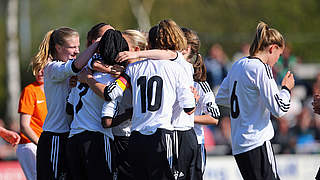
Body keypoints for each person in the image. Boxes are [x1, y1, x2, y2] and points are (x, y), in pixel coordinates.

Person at [78, 24, 196, 180]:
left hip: (136, 138)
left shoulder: (133, 69)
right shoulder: (176, 68)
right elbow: (188, 108)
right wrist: (192, 101)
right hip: (162, 134)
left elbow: (111, 93)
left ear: (149, 44)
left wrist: (90, 78)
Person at [216, 21, 295, 180]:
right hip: (257, 142)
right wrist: (286, 88)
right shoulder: (261, 68)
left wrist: (249, 99)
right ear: (272, 48)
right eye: (278, 55)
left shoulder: (238, 65)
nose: (277, 60)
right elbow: (279, 109)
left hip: (239, 145)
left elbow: (221, 97)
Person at [32, 27, 99, 180]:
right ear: (58, 47)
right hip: (55, 137)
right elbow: (76, 65)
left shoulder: (68, 69)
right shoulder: (52, 68)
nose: (77, 51)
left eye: (78, 46)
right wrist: (96, 45)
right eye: (72, 47)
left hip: (70, 137)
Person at [66, 29, 127, 180]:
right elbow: (108, 102)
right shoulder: (112, 78)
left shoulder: (83, 71)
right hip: (97, 138)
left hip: (74, 138)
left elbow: (69, 108)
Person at [16, 68, 47, 180]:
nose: (40, 72)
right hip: (30, 144)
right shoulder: (30, 90)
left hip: (46, 144)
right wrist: (43, 145)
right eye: (37, 69)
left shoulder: (56, 89)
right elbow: (24, 126)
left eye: (43, 68)